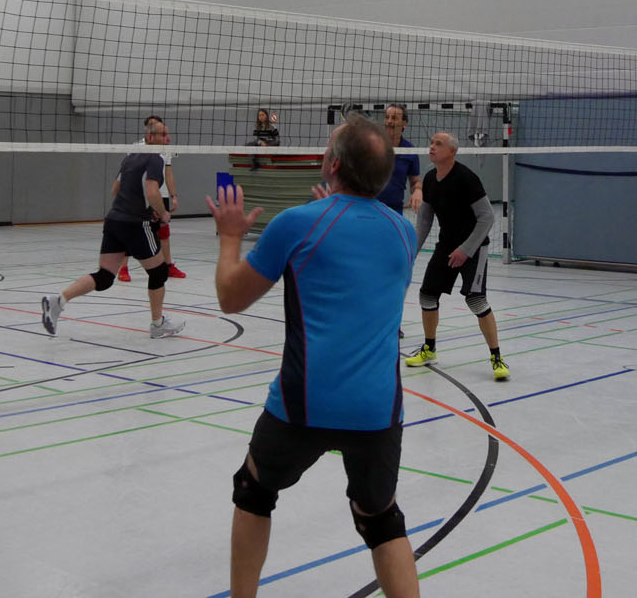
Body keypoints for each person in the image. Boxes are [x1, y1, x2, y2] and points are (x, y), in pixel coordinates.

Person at [207, 114, 420, 598]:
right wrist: (333, 214)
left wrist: (230, 237)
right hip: (377, 409)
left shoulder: (296, 224)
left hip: (304, 403)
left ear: (333, 164)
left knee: (253, 491)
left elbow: (230, 299)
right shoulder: (404, 233)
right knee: (382, 521)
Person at [41, 116, 184, 339]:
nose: (169, 138)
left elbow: (115, 189)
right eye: (163, 134)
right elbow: (151, 192)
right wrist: (163, 213)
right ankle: (158, 324)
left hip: (114, 221)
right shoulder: (154, 158)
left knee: (105, 276)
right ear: (150, 137)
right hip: (136, 224)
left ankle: (59, 300)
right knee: (159, 272)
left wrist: (144, 206)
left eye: (168, 133)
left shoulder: (130, 157)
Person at [403, 131, 509, 382]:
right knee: (427, 295)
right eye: (431, 143)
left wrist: (466, 250)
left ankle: (496, 357)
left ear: (452, 151)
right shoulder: (430, 179)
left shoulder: (466, 178)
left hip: (475, 247)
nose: (432, 147)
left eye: (438, 144)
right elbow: (424, 221)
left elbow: (487, 217)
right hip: (446, 246)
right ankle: (429, 349)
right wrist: (410, 253)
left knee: (476, 300)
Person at [120, 114, 185, 281]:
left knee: (163, 232)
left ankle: (168, 266)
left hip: (160, 195)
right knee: (132, 230)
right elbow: (125, 172)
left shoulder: (166, 148)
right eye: (153, 126)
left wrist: (173, 195)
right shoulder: (136, 147)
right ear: (148, 131)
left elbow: (168, 173)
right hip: (140, 196)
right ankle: (123, 269)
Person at [378, 105, 423, 217]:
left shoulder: (409, 150)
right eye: (387, 117)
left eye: (394, 118)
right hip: (370, 207)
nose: (389, 121)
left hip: (395, 209)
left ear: (404, 123)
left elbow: (415, 181)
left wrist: (418, 190)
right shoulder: (373, 144)